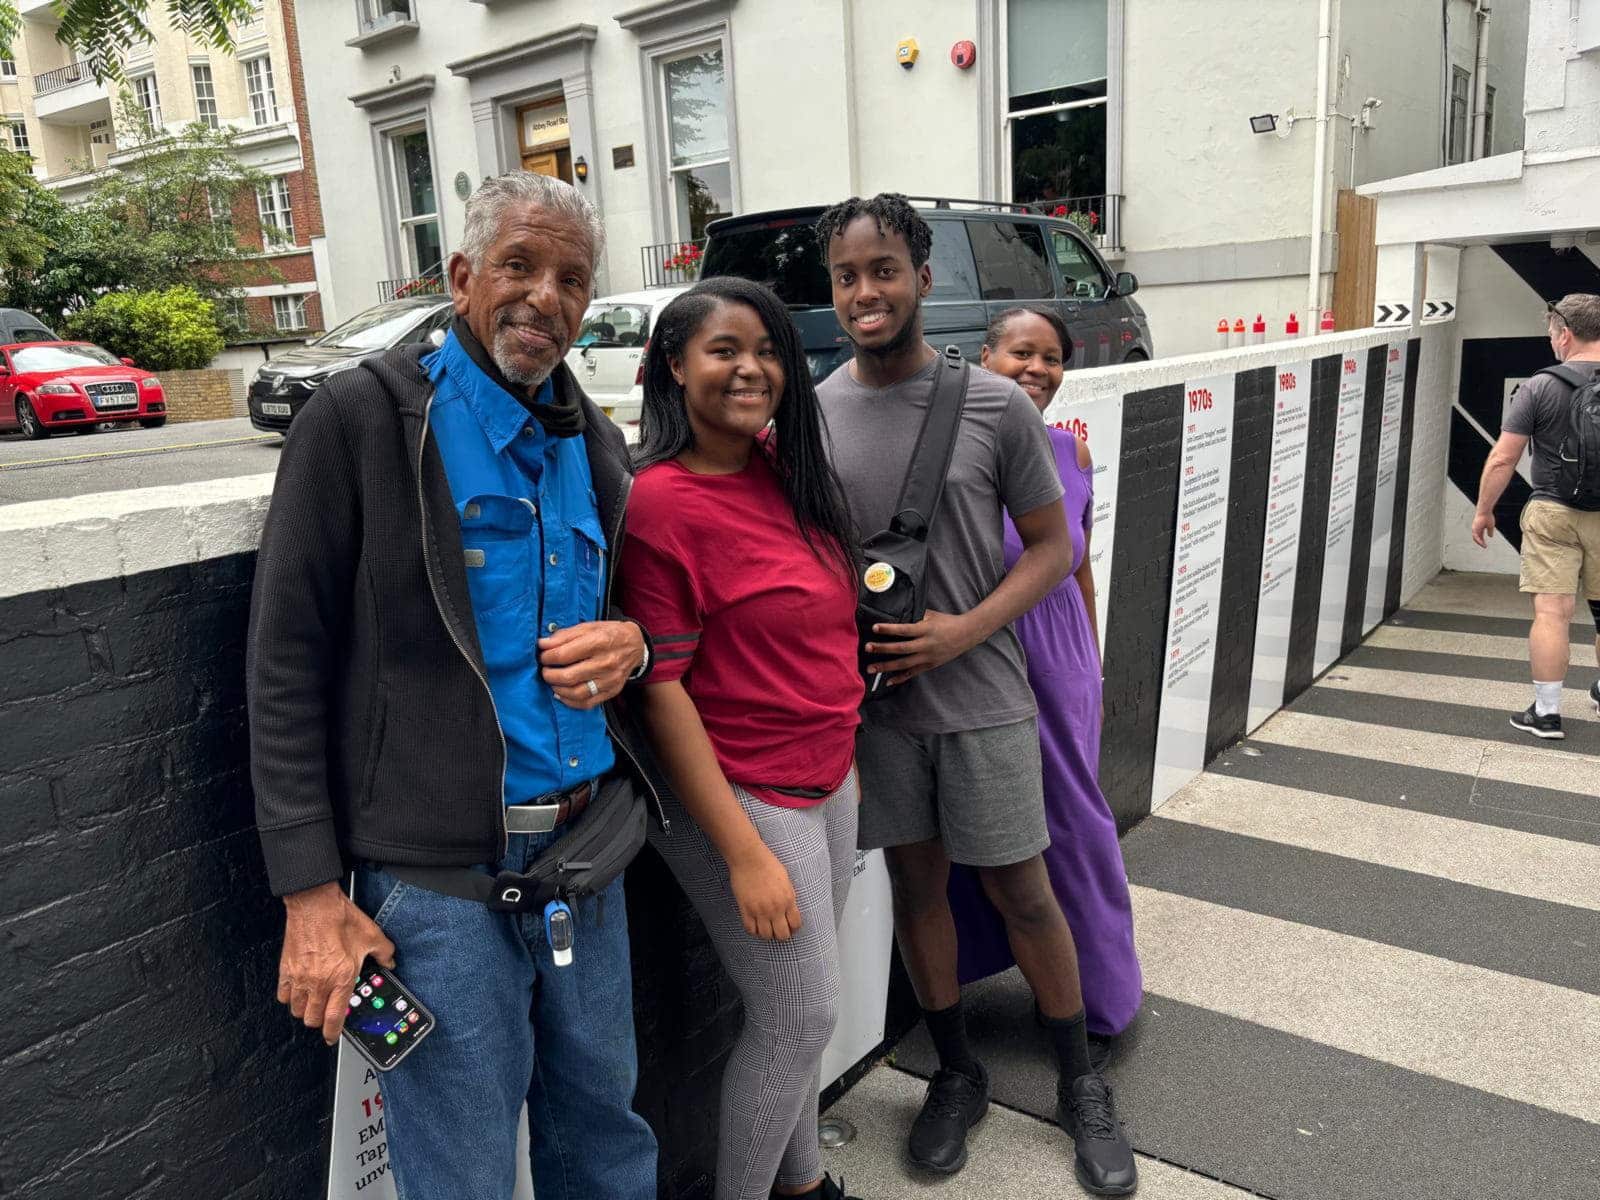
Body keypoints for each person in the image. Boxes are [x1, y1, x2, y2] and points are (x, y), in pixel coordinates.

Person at [248, 172, 659, 1199]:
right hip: (432, 898)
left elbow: (640, 610)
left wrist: (636, 646)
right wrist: (309, 894)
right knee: (458, 1174)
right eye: (519, 265)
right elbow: (283, 662)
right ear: (463, 276)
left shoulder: (591, 437)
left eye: (572, 279)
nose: (546, 297)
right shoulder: (362, 420)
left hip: (587, 866)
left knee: (607, 1143)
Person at [815, 194, 1137, 1196]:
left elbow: (1053, 549)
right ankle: (956, 1072)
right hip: (881, 712)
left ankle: (1081, 1084)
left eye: (883, 270)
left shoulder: (993, 405)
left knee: (1023, 889)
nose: (865, 292)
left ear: (922, 277)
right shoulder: (813, 413)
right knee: (918, 892)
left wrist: (961, 630)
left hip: (987, 698)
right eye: (845, 276)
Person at [619, 277, 864, 1200]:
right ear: (674, 366)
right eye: (723, 350)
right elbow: (662, 693)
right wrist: (745, 854)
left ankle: (803, 1184)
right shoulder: (661, 502)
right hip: (744, 792)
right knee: (800, 1016)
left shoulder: (783, 468)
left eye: (767, 351)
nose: (750, 369)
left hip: (828, 772)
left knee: (803, 1015)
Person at [945, 306, 1142, 1053]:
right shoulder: (952, 454)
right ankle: (1002, 971)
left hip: (1059, 656)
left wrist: (1092, 667)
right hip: (981, 648)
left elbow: (1078, 565)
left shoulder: (1073, 452)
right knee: (983, 820)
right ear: (985, 359)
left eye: (1052, 357)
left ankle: (1100, 996)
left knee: (1074, 822)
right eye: (1021, 353)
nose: (1037, 369)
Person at [1473, 293, 1600, 739]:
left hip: (1552, 511)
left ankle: (1546, 713)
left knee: (1551, 612)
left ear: (1565, 335)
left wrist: (1484, 510)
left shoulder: (1541, 385)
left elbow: (1503, 459)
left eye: (1551, 334)